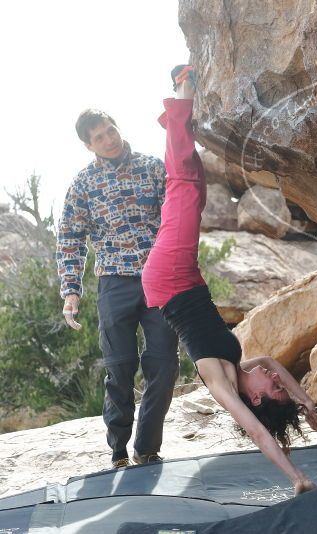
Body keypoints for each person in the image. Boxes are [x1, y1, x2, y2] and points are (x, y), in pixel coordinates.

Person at [142, 66, 317, 495]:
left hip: (168, 279)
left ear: (255, 400)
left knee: (184, 184)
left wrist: (297, 478)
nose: (276, 379)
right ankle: (174, 119)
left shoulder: (221, 382)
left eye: (274, 390)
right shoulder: (243, 366)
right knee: (194, 187)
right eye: (279, 386)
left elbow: (260, 435)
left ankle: (180, 92)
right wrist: (303, 400)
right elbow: (276, 366)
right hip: (182, 278)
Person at [57, 109, 179, 469]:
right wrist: (71, 290)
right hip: (114, 283)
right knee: (120, 368)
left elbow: (177, 217)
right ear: (87, 145)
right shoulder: (83, 185)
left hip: (158, 278)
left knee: (164, 365)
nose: (109, 139)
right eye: (99, 137)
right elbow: (70, 238)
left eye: (111, 130)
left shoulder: (153, 167)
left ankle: (147, 446)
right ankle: (118, 451)